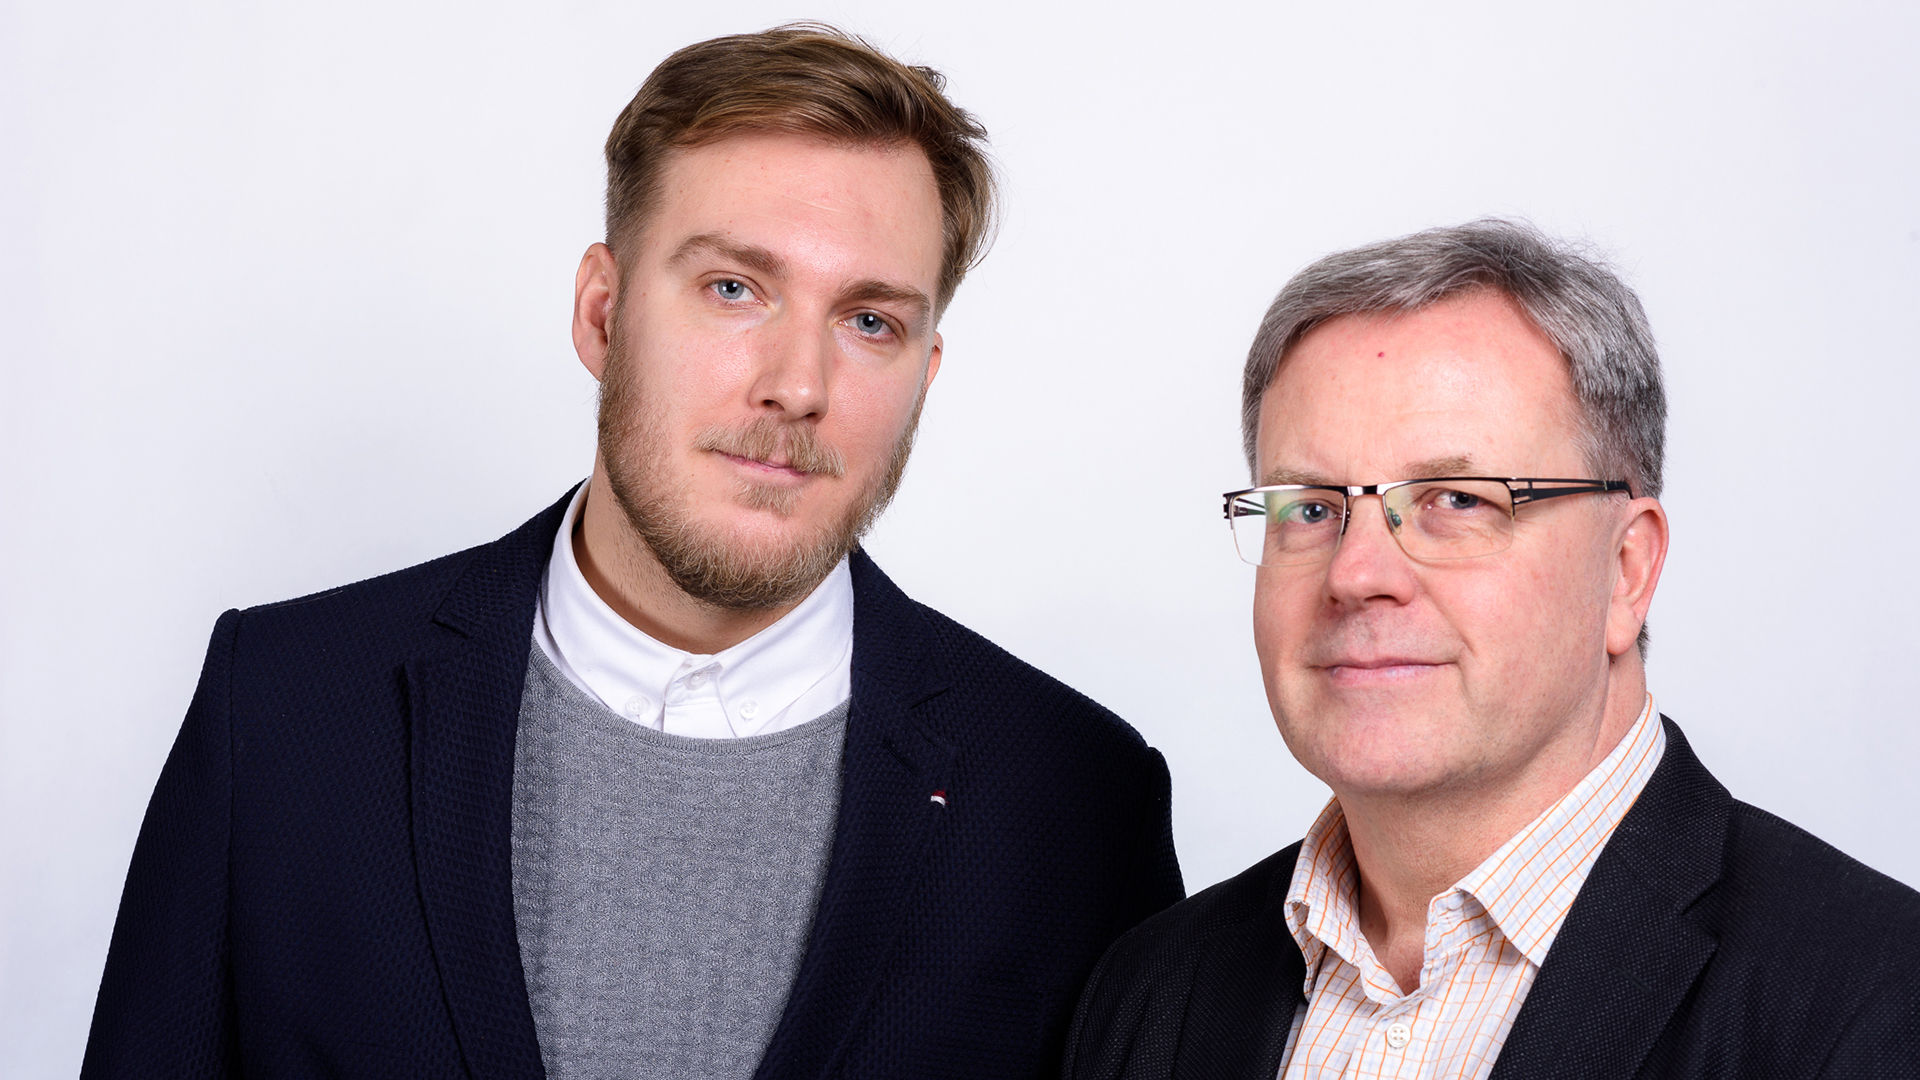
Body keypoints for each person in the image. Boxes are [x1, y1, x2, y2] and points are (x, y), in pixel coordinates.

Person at [82, 25, 1181, 1079]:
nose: (798, 386)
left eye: (869, 322)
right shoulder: (282, 711)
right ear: (602, 316)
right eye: (734, 289)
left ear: (924, 377)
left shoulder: (1077, 803)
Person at [1064, 219, 1920, 1079]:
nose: (1356, 574)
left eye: (1457, 501)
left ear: (1626, 570)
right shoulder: (1150, 992)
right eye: (1311, 509)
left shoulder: (1877, 1001)